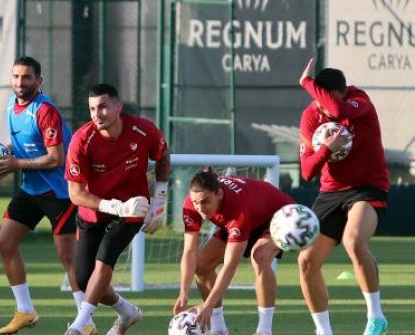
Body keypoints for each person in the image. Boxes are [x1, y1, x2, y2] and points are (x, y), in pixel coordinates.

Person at [0, 56, 97, 335]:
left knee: (69, 258)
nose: (20, 82)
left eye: (26, 77)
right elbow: (24, 144)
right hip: (32, 189)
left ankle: (87, 325)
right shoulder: (12, 106)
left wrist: (15, 165)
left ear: (39, 81)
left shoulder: (45, 110)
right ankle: (25, 311)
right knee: (4, 243)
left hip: (61, 192)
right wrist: (1, 155)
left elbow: (55, 158)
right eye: (16, 77)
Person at [62, 83, 170, 335]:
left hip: (134, 208)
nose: (97, 114)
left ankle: (80, 326)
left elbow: (163, 156)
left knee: (104, 260)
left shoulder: (143, 130)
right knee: (82, 278)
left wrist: (159, 201)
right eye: (91, 108)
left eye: (102, 107)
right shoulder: (81, 140)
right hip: (94, 212)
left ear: (118, 107)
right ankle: (127, 311)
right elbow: (75, 194)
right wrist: (114, 206)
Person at [297, 59, 389, 335]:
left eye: (328, 99)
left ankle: (376, 318)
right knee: (306, 261)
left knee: (353, 241)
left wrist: (307, 82)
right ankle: (324, 331)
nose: (325, 109)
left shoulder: (359, 100)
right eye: (319, 101)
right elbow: (306, 171)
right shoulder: (311, 116)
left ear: (343, 92)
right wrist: (325, 149)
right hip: (331, 192)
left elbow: (337, 108)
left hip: (367, 187)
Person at [173, 170, 295, 335]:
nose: (200, 208)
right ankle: (219, 329)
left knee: (259, 257)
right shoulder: (191, 206)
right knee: (202, 266)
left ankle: (264, 331)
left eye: (205, 201)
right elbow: (189, 252)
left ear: (220, 194)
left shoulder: (237, 209)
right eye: (196, 202)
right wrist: (183, 292)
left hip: (280, 215)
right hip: (245, 215)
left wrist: (207, 304)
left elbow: (230, 266)